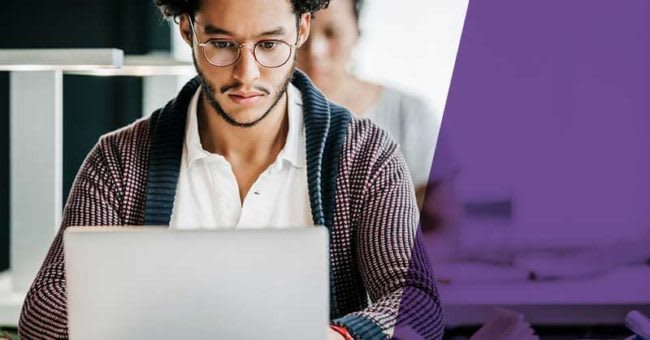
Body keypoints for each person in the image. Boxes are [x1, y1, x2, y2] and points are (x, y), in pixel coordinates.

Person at [18, 0, 443, 339]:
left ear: (301, 29)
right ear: (187, 29)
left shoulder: (365, 156)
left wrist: (335, 336)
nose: (247, 75)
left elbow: (418, 305)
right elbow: (44, 311)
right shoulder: (118, 161)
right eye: (222, 44)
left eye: (269, 45)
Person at [296, 0, 461, 233]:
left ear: (356, 30)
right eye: (301, 33)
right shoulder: (256, 116)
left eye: (332, 32)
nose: (315, 51)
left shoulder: (410, 114)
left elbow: (444, 225)